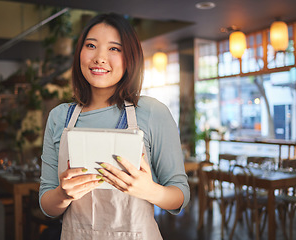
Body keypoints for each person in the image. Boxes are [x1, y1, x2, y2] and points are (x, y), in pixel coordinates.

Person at [39, 13, 190, 239]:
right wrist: (63, 194)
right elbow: (46, 204)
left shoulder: (152, 112)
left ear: (130, 58)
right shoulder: (59, 117)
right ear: (79, 52)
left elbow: (180, 194)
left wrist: (149, 191)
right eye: (91, 45)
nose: (100, 58)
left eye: (114, 49)